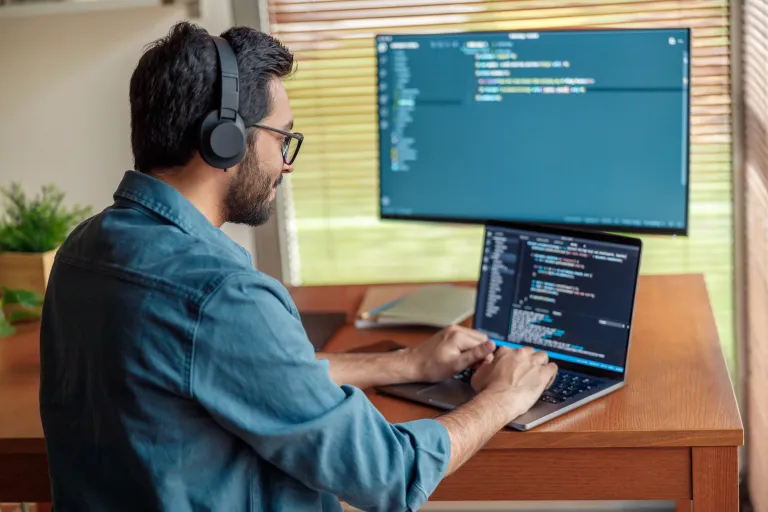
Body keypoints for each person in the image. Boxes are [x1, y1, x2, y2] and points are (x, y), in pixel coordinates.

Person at [39, 22, 557, 512]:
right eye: (281, 137)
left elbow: (244, 375)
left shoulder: (82, 251)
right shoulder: (221, 296)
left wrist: (406, 364)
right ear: (223, 138)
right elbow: (388, 474)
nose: (286, 162)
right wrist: (504, 397)